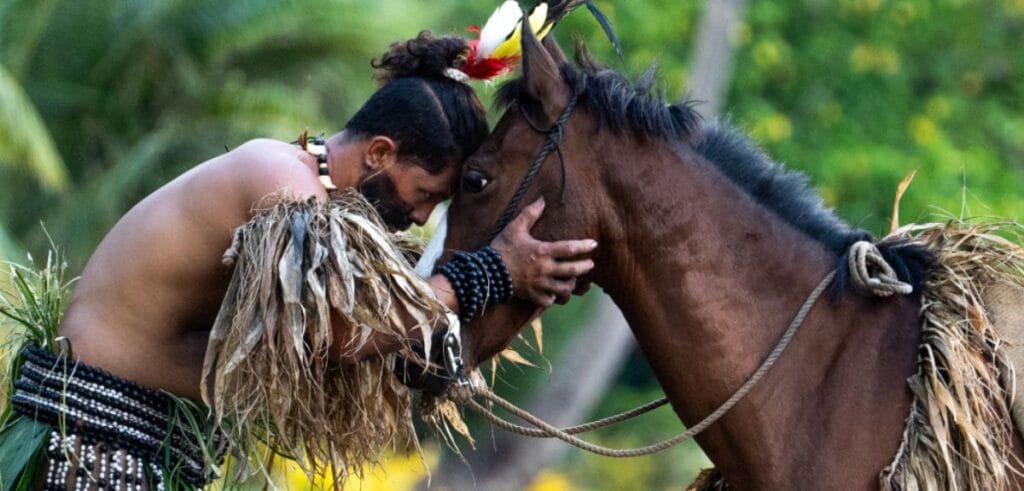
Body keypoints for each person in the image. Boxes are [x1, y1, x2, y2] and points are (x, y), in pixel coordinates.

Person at [0, 32, 595, 490]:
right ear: (380, 152)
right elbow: (335, 334)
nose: (419, 217)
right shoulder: (278, 179)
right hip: (93, 438)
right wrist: (489, 272)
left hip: (138, 440)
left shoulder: (313, 197)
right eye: (424, 195)